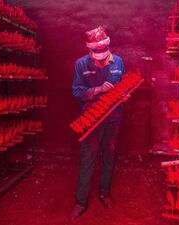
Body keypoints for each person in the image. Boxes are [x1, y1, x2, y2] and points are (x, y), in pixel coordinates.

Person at [69, 26, 128, 220]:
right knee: (88, 159)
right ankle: (81, 202)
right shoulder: (80, 64)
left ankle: (104, 193)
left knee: (109, 157)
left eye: (104, 52)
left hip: (113, 118)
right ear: (90, 50)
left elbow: (123, 86)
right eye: (97, 53)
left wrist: (124, 95)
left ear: (108, 47)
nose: (101, 57)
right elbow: (77, 92)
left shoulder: (118, 61)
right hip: (92, 120)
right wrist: (97, 90)